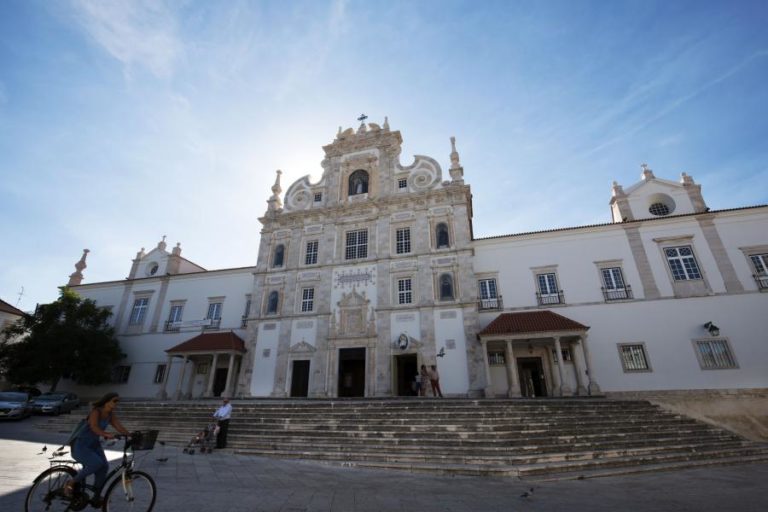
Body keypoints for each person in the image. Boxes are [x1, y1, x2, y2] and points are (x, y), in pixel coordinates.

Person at [64, 392, 130, 504]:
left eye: (117, 401)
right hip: (80, 444)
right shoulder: (96, 411)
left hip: (94, 445)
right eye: (114, 400)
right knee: (96, 464)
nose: (116, 403)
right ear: (107, 401)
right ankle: (71, 482)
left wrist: (130, 435)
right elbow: (94, 427)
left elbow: (119, 426)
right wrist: (106, 434)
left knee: (104, 466)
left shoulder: (110, 414)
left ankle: (96, 495)